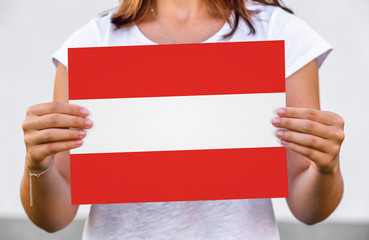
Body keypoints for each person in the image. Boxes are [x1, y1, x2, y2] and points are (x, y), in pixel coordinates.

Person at [21, 0, 345, 239]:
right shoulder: (91, 44)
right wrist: (36, 165)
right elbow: (52, 219)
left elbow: (309, 211)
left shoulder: (281, 34)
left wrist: (326, 167)